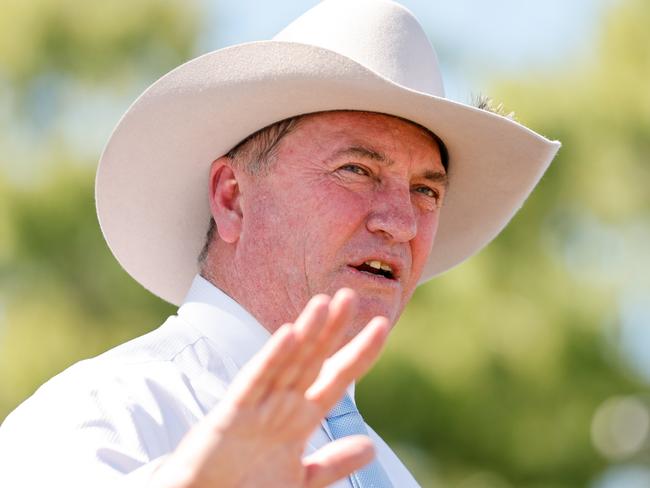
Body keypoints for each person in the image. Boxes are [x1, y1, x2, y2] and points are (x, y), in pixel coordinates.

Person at [0, 0, 560, 486]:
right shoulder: (110, 409)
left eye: (425, 191)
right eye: (356, 170)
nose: (403, 223)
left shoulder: (390, 473)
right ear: (232, 198)